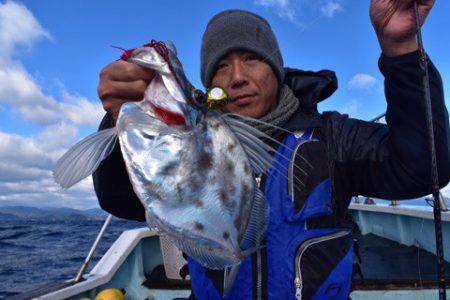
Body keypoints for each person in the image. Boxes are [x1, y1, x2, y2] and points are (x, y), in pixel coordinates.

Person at [93, 1, 450, 299]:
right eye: (221, 65)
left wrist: (402, 50)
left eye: (251, 58)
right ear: (210, 84)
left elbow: (422, 167)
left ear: (277, 70)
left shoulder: (332, 136)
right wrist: (121, 119)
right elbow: (119, 199)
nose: (237, 77)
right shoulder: (188, 139)